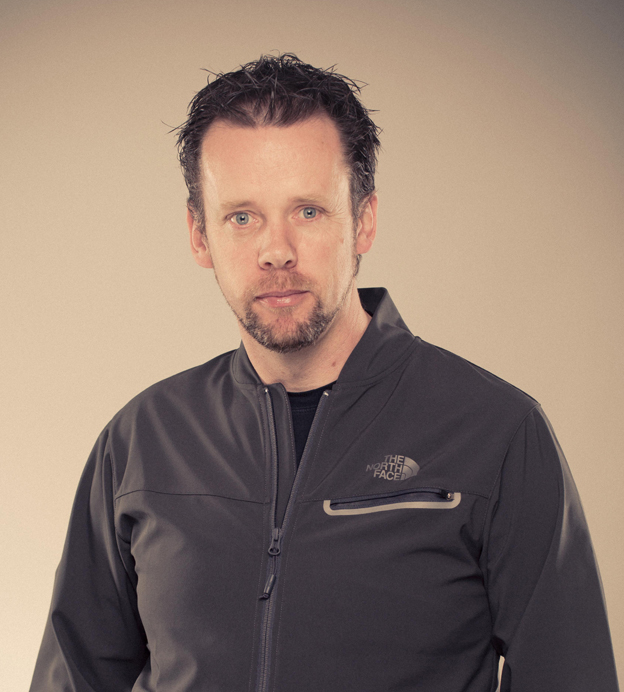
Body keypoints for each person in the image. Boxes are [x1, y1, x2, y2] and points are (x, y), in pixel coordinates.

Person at [30, 53, 619, 692]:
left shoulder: (496, 432)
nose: (276, 250)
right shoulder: (141, 441)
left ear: (363, 220)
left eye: (308, 211)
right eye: (242, 217)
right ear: (199, 235)